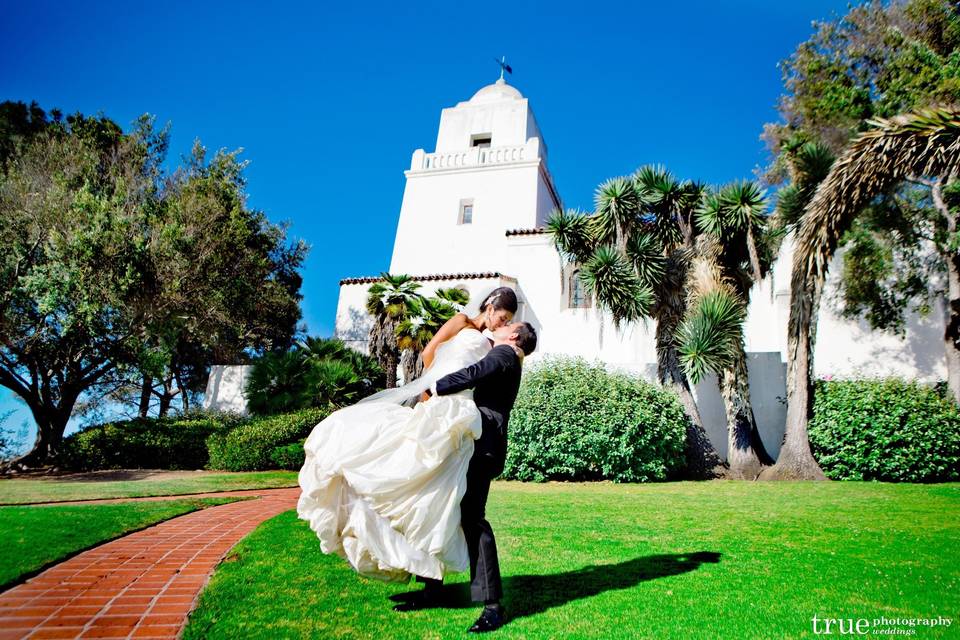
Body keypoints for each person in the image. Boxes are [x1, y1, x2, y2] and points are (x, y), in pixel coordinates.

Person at [296, 288, 521, 586]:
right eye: (502, 317)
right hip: (441, 398)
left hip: (462, 414)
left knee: (438, 496)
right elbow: (430, 353)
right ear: (490, 306)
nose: (500, 324)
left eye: (507, 322)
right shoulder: (460, 321)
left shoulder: (497, 346)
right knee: (408, 472)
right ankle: (420, 572)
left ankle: (431, 579)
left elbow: (483, 375)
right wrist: (433, 390)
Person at [394, 320, 537, 633]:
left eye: (508, 324)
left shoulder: (504, 355)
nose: (501, 325)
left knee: (473, 519)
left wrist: (435, 386)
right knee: (438, 505)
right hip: (478, 444)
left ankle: (492, 606)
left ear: (514, 335)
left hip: (482, 446)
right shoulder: (508, 357)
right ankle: (432, 587)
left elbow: (475, 374)